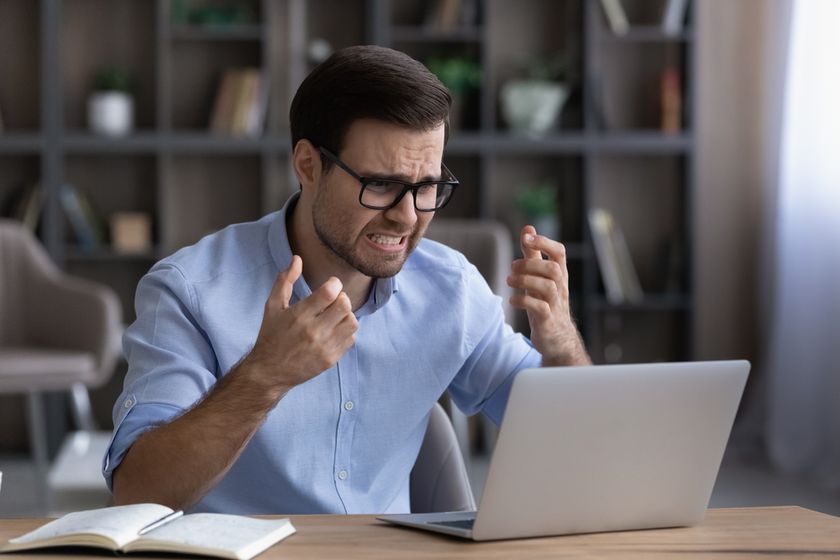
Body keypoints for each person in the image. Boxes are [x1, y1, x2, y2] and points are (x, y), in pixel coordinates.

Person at [105, 45, 590, 515]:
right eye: (381, 184)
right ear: (308, 166)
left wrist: (563, 347)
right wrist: (264, 378)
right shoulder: (190, 290)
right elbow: (136, 492)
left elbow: (573, 439)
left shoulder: (452, 290)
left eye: (426, 188)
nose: (407, 217)